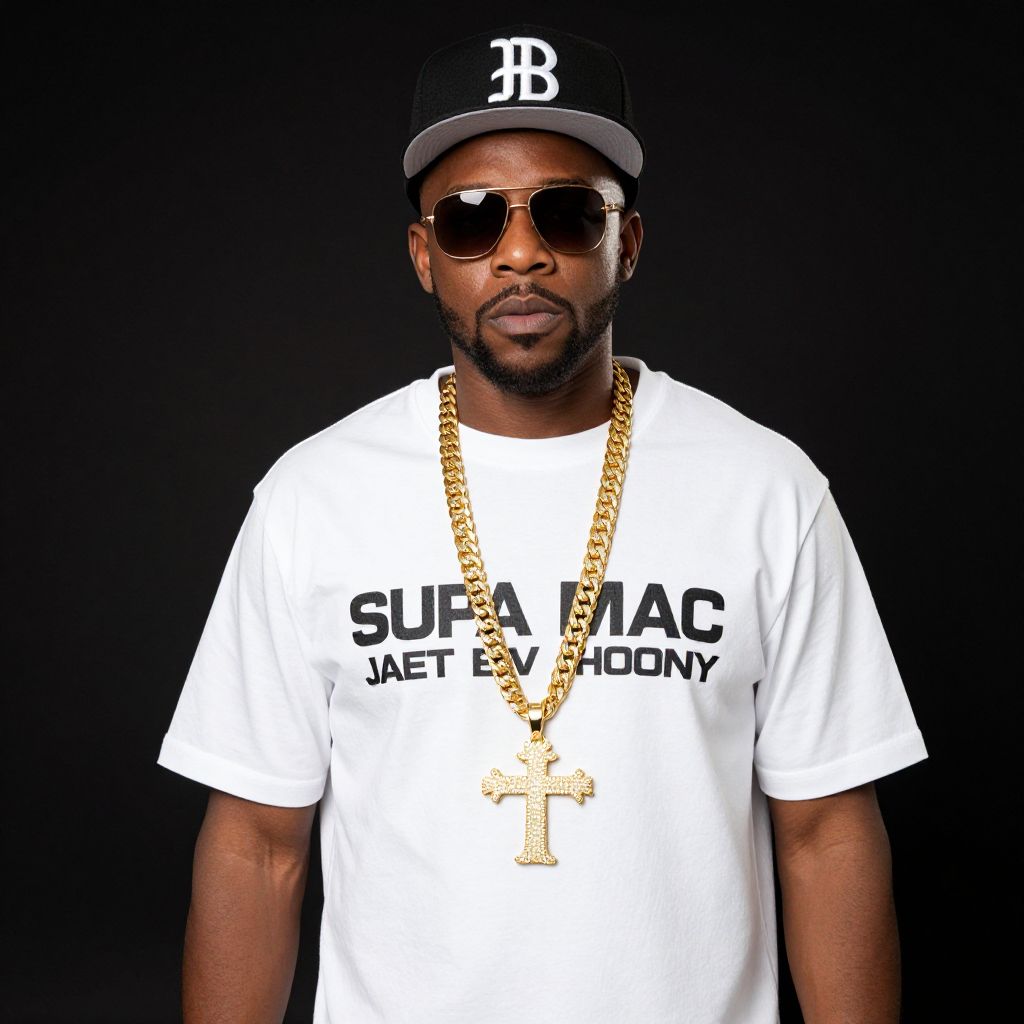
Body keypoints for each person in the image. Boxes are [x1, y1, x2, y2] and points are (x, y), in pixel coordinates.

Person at [157, 22, 928, 1024]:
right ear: (424, 255)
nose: (520, 253)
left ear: (626, 242)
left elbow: (825, 833)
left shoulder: (767, 489)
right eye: (472, 219)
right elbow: (258, 848)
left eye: (566, 214)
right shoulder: (313, 498)